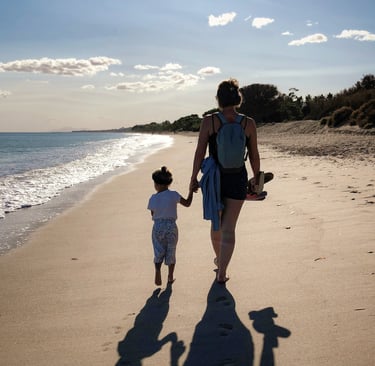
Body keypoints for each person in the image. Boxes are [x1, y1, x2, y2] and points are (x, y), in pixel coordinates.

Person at [189, 78, 261, 284]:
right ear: (238, 98)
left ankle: (219, 261)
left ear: (219, 99)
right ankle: (222, 271)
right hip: (238, 176)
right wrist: (256, 177)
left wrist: (193, 177)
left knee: (216, 224)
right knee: (229, 228)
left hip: (214, 179)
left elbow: (199, 152)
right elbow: (254, 154)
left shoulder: (209, 121)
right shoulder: (248, 123)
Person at [148, 166, 193, 286]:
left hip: (157, 227)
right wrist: (191, 191)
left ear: (156, 184)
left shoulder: (153, 198)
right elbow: (187, 203)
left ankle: (157, 270)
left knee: (158, 250)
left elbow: (153, 213)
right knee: (171, 251)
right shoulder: (174, 195)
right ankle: (170, 276)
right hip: (171, 226)